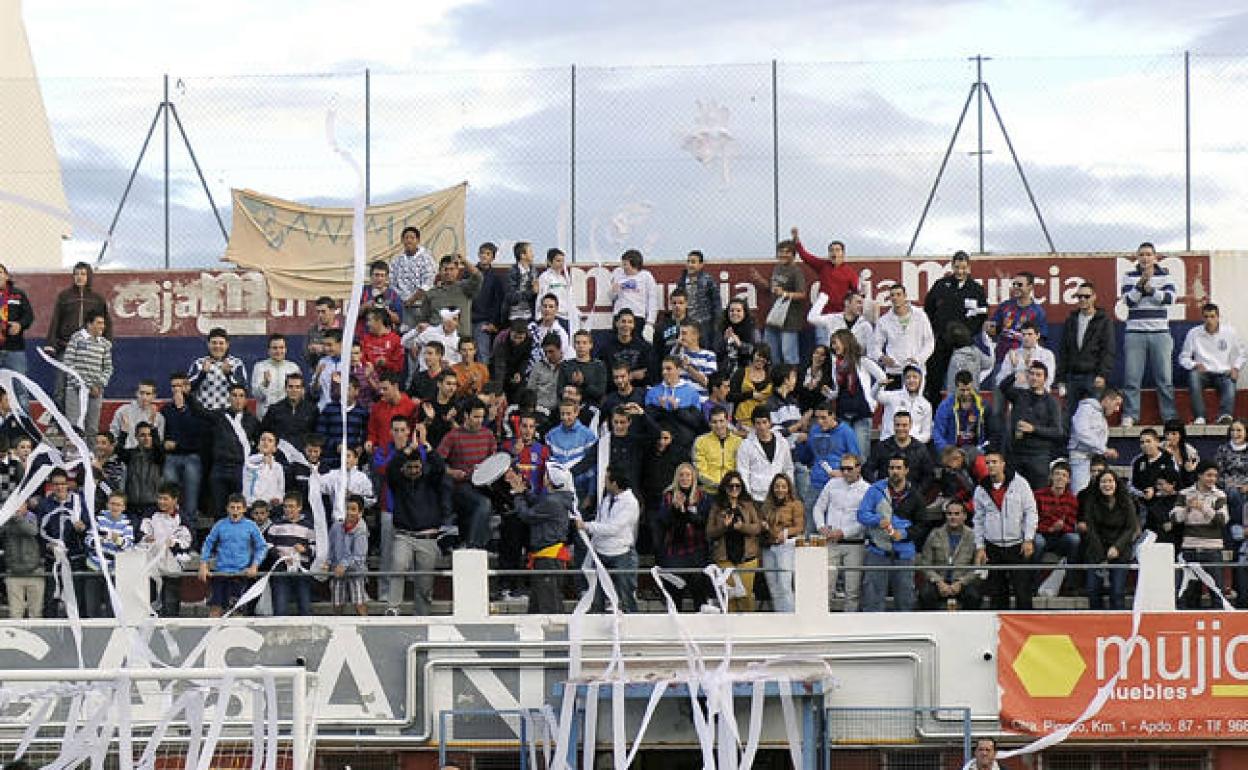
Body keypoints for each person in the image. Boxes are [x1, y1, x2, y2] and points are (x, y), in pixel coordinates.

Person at [385, 440, 453, 616]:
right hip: (403, 536)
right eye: (410, 467)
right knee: (398, 565)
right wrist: (406, 451)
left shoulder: (431, 481)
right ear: (404, 468)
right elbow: (390, 469)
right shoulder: (398, 482)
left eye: (417, 467)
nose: (414, 471)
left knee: (425, 584)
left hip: (427, 538)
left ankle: (422, 616)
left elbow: (439, 468)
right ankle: (393, 607)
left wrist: (430, 450)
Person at [1120, 242, 1178, 426]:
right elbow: (1128, 301)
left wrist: (1152, 290)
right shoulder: (1128, 276)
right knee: (1132, 378)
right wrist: (1141, 284)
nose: (1145, 258)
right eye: (1141, 254)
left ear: (1155, 257)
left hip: (1160, 332)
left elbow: (1170, 299)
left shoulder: (1165, 275)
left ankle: (1169, 417)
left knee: (1165, 379)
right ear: (1137, 257)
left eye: (1148, 254)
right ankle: (1130, 415)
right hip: (1135, 332)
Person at [972, 448, 1037, 611]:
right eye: (988, 463)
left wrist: (1028, 538)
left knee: (1023, 593)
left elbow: (1030, 511)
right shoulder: (981, 489)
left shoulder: (1020, 484)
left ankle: (1025, 630)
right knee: (997, 594)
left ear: (1003, 464)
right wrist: (980, 547)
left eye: (994, 462)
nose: (991, 466)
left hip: (1017, 545)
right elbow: (978, 520)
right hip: (993, 546)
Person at [856, 454, 920, 612]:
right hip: (877, 552)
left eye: (899, 468)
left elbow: (922, 525)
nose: (895, 471)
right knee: (872, 601)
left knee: (905, 601)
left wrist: (903, 534)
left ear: (906, 470)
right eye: (891, 468)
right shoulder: (875, 490)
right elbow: (861, 514)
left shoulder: (915, 494)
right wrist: (878, 519)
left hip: (904, 555)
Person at [923, 252, 989, 403]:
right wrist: (936, 330)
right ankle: (935, 414)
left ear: (969, 268)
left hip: (964, 345)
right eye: (957, 267)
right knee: (934, 380)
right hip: (941, 343)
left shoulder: (976, 289)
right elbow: (929, 308)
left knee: (965, 381)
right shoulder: (941, 285)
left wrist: (969, 334)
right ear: (952, 266)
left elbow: (982, 314)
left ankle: (967, 415)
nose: (960, 271)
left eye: (964, 268)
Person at [508, 463, 574, 614]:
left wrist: (518, 495)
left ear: (550, 481)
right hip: (546, 558)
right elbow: (538, 504)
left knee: (549, 605)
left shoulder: (553, 502)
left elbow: (527, 515)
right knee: (539, 604)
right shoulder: (555, 499)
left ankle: (555, 635)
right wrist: (525, 491)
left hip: (548, 559)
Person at [811, 453, 869, 611]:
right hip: (831, 542)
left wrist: (844, 532)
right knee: (825, 587)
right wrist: (821, 526)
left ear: (859, 468)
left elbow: (864, 520)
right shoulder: (832, 483)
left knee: (853, 590)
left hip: (854, 544)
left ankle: (850, 627)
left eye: (849, 469)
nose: (845, 472)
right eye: (842, 468)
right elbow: (818, 507)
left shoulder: (867, 489)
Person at [578, 465, 640, 613]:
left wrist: (586, 526)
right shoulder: (606, 499)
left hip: (621, 554)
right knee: (595, 597)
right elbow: (601, 521)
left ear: (615, 483)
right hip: (600, 554)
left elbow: (613, 528)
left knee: (625, 598)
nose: (604, 481)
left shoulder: (630, 503)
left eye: (606, 479)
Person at [436, 398, 497, 550]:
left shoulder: (488, 435)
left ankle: (480, 544)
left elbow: (495, 460)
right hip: (461, 486)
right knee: (484, 504)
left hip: (484, 485)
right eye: (476, 417)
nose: (479, 421)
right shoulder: (453, 436)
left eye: (482, 417)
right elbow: (436, 462)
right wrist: (451, 471)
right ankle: (473, 546)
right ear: (466, 416)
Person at [653, 462, 713, 611]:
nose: (685, 478)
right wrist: (674, 508)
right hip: (674, 552)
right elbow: (664, 522)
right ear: (676, 478)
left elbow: (703, 522)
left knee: (699, 596)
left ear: (693, 478)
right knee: (674, 596)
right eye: (681, 475)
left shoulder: (703, 496)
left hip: (697, 551)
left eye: (688, 475)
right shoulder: (668, 496)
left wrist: (685, 513)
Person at [198, 494, 268, 618]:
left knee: (236, 612)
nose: (235, 511)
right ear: (227, 509)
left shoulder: (251, 526)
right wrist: (203, 564)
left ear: (244, 509)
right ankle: (213, 637)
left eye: (238, 508)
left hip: (240, 575)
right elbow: (208, 544)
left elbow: (262, 547)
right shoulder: (220, 525)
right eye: (232, 507)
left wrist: (254, 566)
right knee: (215, 611)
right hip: (221, 573)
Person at [999, 361, 1065, 490]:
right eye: (1031, 374)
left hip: (1038, 457)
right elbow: (1003, 386)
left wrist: (1034, 429)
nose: (1034, 377)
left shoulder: (1052, 402)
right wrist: (1018, 370)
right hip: (1016, 454)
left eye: (1038, 375)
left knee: (1037, 496)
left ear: (1045, 379)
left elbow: (1058, 432)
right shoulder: (1019, 395)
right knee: (1013, 494)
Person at [1173, 461, 1228, 609]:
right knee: (1187, 594)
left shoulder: (1219, 495)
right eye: (1209, 475)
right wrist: (1187, 509)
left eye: (1215, 476)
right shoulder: (1185, 493)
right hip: (1189, 548)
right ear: (1199, 475)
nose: (1212, 479)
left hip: (1212, 549)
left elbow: (1222, 520)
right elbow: (1174, 518)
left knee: (1217, 593)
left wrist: (1204, 507)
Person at [706, 470, 763, 612]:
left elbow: (757, 528)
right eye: (730, 486)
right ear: (725, 488)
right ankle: (730, 630)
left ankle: (747, 630)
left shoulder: (748, 505)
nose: (734, 489)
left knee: (746, 597)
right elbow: (709, 533)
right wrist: (724, 527)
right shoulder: (717, 506)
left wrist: (741, 527)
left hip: (747, 557)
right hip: (725, 557)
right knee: (729, 597)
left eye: (737, 486)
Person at [1082, 470, 1138, 611]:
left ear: (1116, 483)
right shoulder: (1091, 501)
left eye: (1110, 481)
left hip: (1120, 549)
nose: (1107, 485)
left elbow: (1131, 527)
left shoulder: (1126, 501)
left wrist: (1117, 548)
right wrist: (1101, 555)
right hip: (1096, 549)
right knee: (1093, 591)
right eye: (1103, 481)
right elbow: (1091, 529)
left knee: (1117, 592)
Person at [1180, 302, 1244, 424]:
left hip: (1223, 372)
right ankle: (1200, 416)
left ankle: (1225, 416)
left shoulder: (1230, 332)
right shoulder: (1194, 333)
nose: (1209, 320)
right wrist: (1195, 365)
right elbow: (1183, 357)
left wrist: (1236, 368)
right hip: (1203, 373)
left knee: (1231, 379)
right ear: (1202, 318)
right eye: (1206, 317)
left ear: (1218, 317)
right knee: (1193, 376)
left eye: (1212, 316)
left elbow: (1241, 354)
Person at [1055, 281, 1115, 410]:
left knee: (1093, 415)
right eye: (1079, 296)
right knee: (1069, 417)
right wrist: (1061, 378)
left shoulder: (1104, 321)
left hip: (1093, 377)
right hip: (1072, 377)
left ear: (1094, 297)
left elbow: (1108, 350)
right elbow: (1064, 350)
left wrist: (1102, 375)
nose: (1082, 299)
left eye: (1086, 296)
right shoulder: (1071, 320)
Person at [828, 329, 887, 455]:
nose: (833, 346)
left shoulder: (862, 361)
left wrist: (873, 395)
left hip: (862, 412)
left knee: (860, 453)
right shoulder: (836, 365)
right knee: (844, 453)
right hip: (843, 412)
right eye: (832, 343)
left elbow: (882, 378)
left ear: (845, 342)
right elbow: (838, 391)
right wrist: (828, 393)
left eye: (835, 342)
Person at [160, 372, 207, 528]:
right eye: (174, 386)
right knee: (168, 497)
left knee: (191, 501)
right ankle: (169, 531)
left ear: (187, 387)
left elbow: (196, 434)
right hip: (171, 458)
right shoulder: (166, 410)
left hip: (191, 457)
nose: (176, 389)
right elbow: (163, 434)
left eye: (180, 386)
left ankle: (190, 538)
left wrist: (182, 409)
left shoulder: (197, 408)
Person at [797, 401, 861, 515]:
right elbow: (805, 458)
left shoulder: (846, 432)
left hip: (838, 485)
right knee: (810, 523)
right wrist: (802, 444)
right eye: (817, 418)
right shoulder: (814, 430)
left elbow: (856, 460)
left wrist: (842, 473)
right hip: (816, 484)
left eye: (823, 418)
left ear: (833, 416)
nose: (820, 422)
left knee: (832, 523)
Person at [917, 499, 982, 610]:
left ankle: (969, 626)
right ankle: (932, 625)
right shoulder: (935, 534)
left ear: (964, 516)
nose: (953, 517)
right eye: (949, 514)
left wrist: (961, 582)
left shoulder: (974, 536)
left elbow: (978, 568)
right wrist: (939, 581)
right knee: (925, 594)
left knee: (974, 596)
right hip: (939, 581)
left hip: (963, 581)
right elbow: (925, 564)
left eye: (957, 514)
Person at [140, 482, 192, 617]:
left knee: (170, 603)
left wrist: (175, 543)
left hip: (172, 567)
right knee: (149, 603)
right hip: (151, 565)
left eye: (165, 499)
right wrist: (146, 538)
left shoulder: (182, 518)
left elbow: (188, 542)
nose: (161, 502)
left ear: (175, 500)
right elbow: (141, 533)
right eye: (160, 498)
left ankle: (170, 633)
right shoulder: (150, 514)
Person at [751, 240, 806, 365]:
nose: (783, 255)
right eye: (781, 252)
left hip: (790, 320)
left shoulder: (796, 271)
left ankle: (792, 382)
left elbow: (802, 294)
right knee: (770, 354)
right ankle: (775, 381)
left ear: (793, 255)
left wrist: (785, 294)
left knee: (789, 356)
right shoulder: (777, 268)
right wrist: (760, 280)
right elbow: (773, 288)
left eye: (787, 252)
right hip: (774, 318)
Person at [871, 284, 934, 388]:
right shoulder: (884, 320)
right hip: (894, 371)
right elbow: (874, 347)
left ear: (905, 296)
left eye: (898, 294)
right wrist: (882, 357)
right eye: (892, 295)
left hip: (916, 370)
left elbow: (929, 342)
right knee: (894, 403)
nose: (895, 298)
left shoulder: (920, 315)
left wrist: (918, 359)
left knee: (915, 403)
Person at [62, 311, 112, 440]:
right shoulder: (77, 338)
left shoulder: (105, 344)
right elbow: (68, 364)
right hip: (75, 390)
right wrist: (85, 386)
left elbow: (108, 368)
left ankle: (90, 456)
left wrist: (99, 385)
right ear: (89, 324)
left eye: (103, 323)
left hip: (96, 392)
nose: (102, 326)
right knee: (73, 426)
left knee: (92, 428)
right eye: (99, 323)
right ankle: (72, 457)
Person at [987, 270, 1048, 371]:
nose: (1015, 287)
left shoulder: (1038, 312)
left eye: (1019, 285)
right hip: (1001, 361)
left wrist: (1030, 361)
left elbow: (1041, 340)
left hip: (1024, 363)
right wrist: (990, 327)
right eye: (1014, 284)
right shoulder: (1005, 306)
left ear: (1030, 287)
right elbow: (993, 329)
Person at [759, 473, 802, 612]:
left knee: (784, 584)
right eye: (777, 486)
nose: (780, 489)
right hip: (768, 547)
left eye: (783, 486)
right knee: (773, 585)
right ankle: (780, 617)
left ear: (789, 488)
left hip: (786, 547)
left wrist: (786, 532)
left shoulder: (795, 504)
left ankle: (790, 617)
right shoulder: (767, 505)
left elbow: (800, 527)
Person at [267, 492, 315, 616]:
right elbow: (268, 545)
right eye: (286, 506)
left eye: (291, 506)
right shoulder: (275, 525)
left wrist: (305, 550)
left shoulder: (309, 526)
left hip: (302, 570)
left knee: (305, 608)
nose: (288, 509)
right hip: (281, 569)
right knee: (280, 608)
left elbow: (315, 548)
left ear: (299, 507)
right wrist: (279, 555)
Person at [791, 227, 859, 314]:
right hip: (822, 314)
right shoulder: (823, 266)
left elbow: (855, 293)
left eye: (837, 250)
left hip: (840, 315)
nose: (834, 253)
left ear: (843, 253)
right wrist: (796, 239)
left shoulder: (850, 273)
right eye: (831, 250)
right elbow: (805, 256)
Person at [1068, 388, 1122, 492]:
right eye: (1116, 404)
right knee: (1081, 494)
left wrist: (1104, 451)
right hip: (1080, 459)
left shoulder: (1101, 416)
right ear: (1107, 400)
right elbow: (1081, 432)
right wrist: (1104, 450)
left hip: (1093, 460)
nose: (1117, 409)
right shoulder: (1086, 409)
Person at [737, 406, 794, 505]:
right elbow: (743, 471)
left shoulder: (782, 442)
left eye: (764, 422)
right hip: (756, 497)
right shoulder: (746, 445)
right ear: (753, 425)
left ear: (770, 422)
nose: (762, 427)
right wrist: (747, 495)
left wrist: (787, 490)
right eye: (758, 423)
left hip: (778, 495)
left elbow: (788, 467)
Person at [867, 411, 935, 491]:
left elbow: (929, 475)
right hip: (885, 495)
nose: (900, 428)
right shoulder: (881, 447)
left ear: (910, 426)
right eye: (897, 425)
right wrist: (878, 488)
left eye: (904, 425)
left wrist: (917, 492)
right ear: (893, 426)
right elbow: (867, 469)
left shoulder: (920, 448)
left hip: (911, 496)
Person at [328, 494, 371, 616]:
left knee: (359, 604)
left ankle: (365, 630)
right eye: (347, 508)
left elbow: (359, 557)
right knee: (337, 605)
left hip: (355, 571)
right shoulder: (336, 526)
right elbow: (330, 548)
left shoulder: (361, 530)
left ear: (360, 512)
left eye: (353, 509)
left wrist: (344, 565)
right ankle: (337, 632)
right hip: (337, 570)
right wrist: (328, 562)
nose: (349, 512)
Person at [420, 254, 483, 337]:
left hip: (461, 341)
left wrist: (464, 262)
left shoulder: (466, 288)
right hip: (436, 340)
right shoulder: (431, 293)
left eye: (452, 269)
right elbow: (424, 319)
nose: (448, 272)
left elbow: (478, 277)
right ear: (439, 271)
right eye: (445, 269)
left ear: (457, 270)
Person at [1032, 461, 1081, 568]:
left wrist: (1062, 527)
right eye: (1057, 474)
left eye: (1064, 475)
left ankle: (1070, 579)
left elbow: (1072, 526)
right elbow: (1031, 521)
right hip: (1042, 534)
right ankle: (1033, 579)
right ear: (1051, 477)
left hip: (1060, 538)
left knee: (1075, 539)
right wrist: (1049, 529)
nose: (1060, 478)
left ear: (1068, 480)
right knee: (1038, 542)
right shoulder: (1038, 495)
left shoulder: (1072, 499)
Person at [0, 264, 36, 408]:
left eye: (0, 272)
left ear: (7, 276)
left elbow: (29, 316)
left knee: (20, 387)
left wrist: (20, 325)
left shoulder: (18, 294)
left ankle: (23, 425)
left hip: (15, 350)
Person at [933, 370, 988, 462]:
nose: (966, 393)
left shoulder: (982, 405)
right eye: (962, 390)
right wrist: (948, 449)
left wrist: (982, 447)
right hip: (952, 449)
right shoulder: (946, 405)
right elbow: (937, 433)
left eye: (968, 389)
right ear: (956, 388)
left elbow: (990, 432)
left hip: (975, 449)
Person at [188, 327, 247, 411]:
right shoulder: (198, 363)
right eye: (214, 343)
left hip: (228, 414)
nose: (217, 346)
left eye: (221, 343)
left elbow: (243, 389)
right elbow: (187, 389)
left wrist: (228, 375)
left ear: (227, 345)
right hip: (204, 413)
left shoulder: (237, 363)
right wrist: (202, 374)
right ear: (208, 344)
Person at [2, 499, 44, 618]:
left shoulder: (33, 517)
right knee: (15, 613)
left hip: (35, 572)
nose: (16, 508)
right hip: (13, 573)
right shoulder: (6, 520)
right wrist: (6, 517)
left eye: (19, 504)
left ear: (26, 505)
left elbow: (32, 531)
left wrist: (18, 518)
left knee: (36, 613)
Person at [391, 226, 437, 330]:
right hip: (402, 306)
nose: (409, 240)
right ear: (402, 240)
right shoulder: (397, 261)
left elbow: (428, 283)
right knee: (404, 336)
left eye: (412, 238)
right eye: (406, 238)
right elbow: (392, 283)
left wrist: (412, 300)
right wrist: (401, 300)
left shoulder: (427, 259)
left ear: (418, 240)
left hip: (421, 306)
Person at [259, 373, 319, 452]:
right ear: (285, 388)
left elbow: (316, 436)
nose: (294, 390)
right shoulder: (274, 409)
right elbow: (263, 433)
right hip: (279, 456)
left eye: (297, 387)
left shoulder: (312, 410)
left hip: (304, 456)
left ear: (302, 389)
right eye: (290, 387)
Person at [877, 364, 933, 447]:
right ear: (904, 380)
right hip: (888, 445)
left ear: (921, 380)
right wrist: (878, 385)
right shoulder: (893, 396)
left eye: (915, 377)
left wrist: (910, 441)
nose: (911, 380)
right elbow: (876, 396)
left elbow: (926, 433)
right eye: (908, 377)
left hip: (913, 448)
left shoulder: (925, 404)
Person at [610, 249, 661, 339]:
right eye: (622, 264)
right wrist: (614, 291)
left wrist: (650, 322)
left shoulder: (646, 276)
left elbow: (652, 299)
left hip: (637, 316)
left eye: (625, 264)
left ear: (634, 264)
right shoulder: (618, 273)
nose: (623, 267)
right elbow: (611, 297)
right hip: (620, 315)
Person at [676, 249, 722, 348]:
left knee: (705, 348)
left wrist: (716, 324)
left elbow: (716, 302)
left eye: (693, 262)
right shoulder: (682, 280)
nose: (689, 265)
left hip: (704, 323)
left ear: (701, 265)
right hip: (688, 322)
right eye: (688, 261)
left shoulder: (708, 280)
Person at [470, 242, 507, 360]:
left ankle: (483, 378)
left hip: (483, 321)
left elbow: (497, 303)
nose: (484, 256)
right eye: (482, 253)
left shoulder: (495, 278)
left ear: (493, 257)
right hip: (467, 319)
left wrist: (492, 323)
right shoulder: (469, 273)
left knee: (482, 352)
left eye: (488, 254)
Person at [694, 406, 742, 494]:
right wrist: (718, 485)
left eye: (721, 421)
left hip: (732, 490)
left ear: (728, 421)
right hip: (709, 491)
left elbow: (740, 468)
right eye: (714, 422)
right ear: (709, 423)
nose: (718, 425)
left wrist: (730, 485)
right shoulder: (700, 441)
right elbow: (699, 471)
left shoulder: (738, 442)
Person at [807, 288, 872, 352]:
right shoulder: (833, 318)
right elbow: (811, 318)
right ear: (847, 303)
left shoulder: (866, 325)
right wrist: (823, 298)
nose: (861, 306)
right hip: (834, 361)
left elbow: (871, 351)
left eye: (862, 303)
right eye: (858, 302)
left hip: (856, 361)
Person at [109, 380, 164, 450]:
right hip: (125, 453)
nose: (144, 397)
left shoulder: (159, 417)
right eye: (141, 393)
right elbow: (112, 435)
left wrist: (152, 424)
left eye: (148, 394)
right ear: (136, 393)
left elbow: (158, 443)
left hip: (147, 456)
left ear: (154, 396)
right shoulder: (123, 411)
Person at [558, 330, 607, 406]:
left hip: (591, 406)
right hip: (569, 408)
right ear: (573, 345)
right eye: (578, 343)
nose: (581, 346)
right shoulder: (566, 365)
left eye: (584, 343)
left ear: (591, 345)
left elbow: (600, 392)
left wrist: (584, 383)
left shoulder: (599, 366)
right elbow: (560, 391)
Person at [358, 260, 404, 334]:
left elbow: (398, 320)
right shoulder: (361, 292)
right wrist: (365, 306)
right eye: (376, 275)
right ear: (371, 276)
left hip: (385, 338)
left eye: (382, 275)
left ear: (386, 277)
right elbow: (351, 315)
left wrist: (385, 309)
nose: (379, 279)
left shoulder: (393, 295)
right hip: (363, 336)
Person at [716, 298, 757, 375]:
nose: (734, 313)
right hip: (725, 370)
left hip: (746, 370)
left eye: (738, 311)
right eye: (732, 311)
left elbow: (755, 352)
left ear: (744, 312)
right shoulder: (722, 327)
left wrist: (740, 344)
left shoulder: (752, 328)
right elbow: (716, 352)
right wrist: (724, 340)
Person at [528, 334, 564, 416]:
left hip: (560, 411)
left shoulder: (567, 366)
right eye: (545, 352)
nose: (548, 355)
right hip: (539, 410)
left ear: (559, 349)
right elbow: (530, 390)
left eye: (551, 352)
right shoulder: (538, 366)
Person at [506, 241, 539, 324]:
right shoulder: (512, 272)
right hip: (515, 315)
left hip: (530, 315)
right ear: (523, 255)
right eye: (530, 251)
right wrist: (532, 292)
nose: (533, 255)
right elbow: (512, 297)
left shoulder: (534, 272)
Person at [304, 296, 340, 370]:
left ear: (332, 311)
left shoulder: (344, 329)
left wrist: (323, 349)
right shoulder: (312, 331)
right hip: (319, 374)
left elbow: (350, 353)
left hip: (341, 373)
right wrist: (311, 352)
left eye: (323, 311)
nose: (320, 315)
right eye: (318, 312)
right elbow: (306, 355)